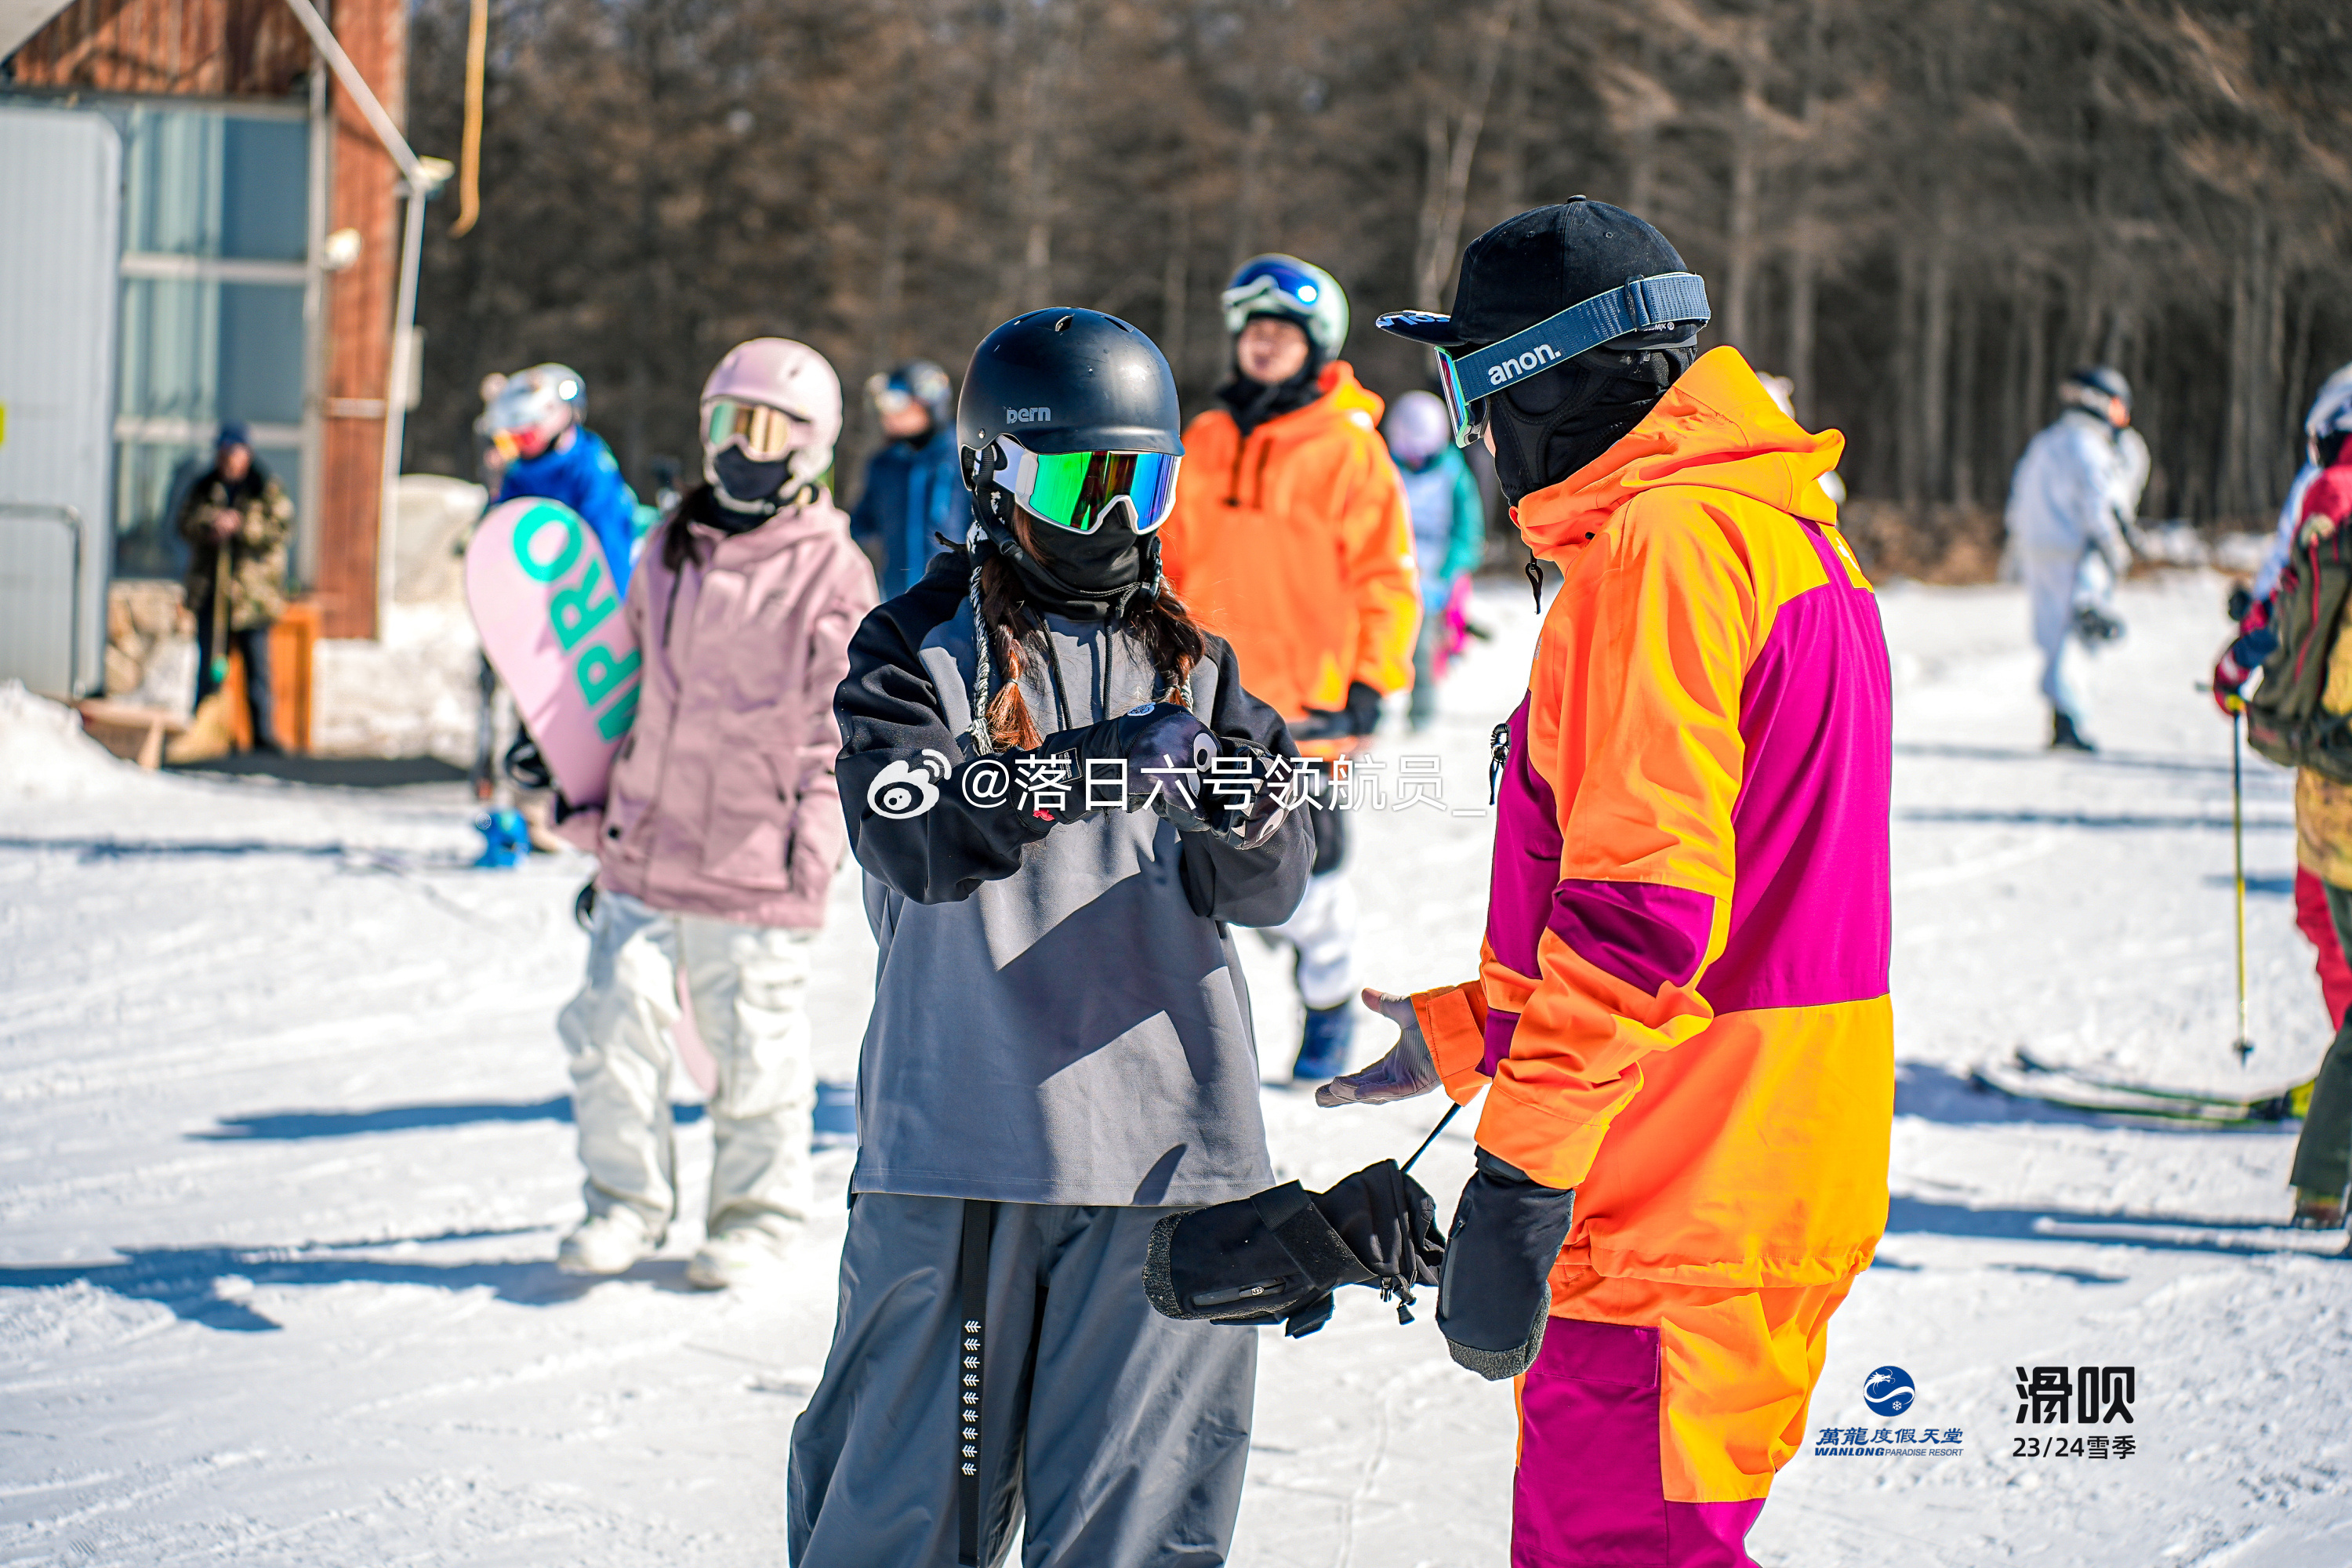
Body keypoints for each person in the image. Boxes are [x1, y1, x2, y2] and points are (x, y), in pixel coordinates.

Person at [1327, 199, 1893, 1568]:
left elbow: (1646, 916)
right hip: (1745, 1163)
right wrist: (1477, 1032)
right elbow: (1738, 912)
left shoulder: (1664, 554)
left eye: (1473, 382)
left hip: (1675, 1197)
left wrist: (1518, 1178)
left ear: (1562, 378)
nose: (1468, 429)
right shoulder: (1775, 538)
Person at [789, 308, 1314, 1566]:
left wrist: (1249, 820)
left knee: (1136, 1539)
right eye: (1090, 483)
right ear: (996, 477)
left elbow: (1274, 886)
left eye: (1148, 483)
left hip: (1172, 1163)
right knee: (896, 1528)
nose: (1122, 520)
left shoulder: (1204, 664)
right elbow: (908, 825)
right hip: (970, 1150)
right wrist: (1078, 769)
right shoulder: (915, 649)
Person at [549, 339, 877, 1289]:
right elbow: (627, 680)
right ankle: (623, 1204)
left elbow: (839, 731)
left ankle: (756, 1216)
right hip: (646, 844)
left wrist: (809, 850)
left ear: (809, 448)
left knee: (753, 1053)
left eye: (765, 431)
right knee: (612, 1030)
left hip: (754, 855)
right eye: (726, 424)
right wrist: (572, 773)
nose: (740, 448)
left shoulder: (832, 571)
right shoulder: (671, 545)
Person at [1158, 253, 1420, 1084]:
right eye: (1253, 331)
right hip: (1206, 703)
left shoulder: (1348, 446)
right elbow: (1167, 561)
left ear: (1315, 343)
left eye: (1283, 332)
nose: (1264, 345)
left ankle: (1332, 997)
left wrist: (1374, 681)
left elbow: (1386, 572)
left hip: (1310, 713)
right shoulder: (1202, 438)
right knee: (1194, 872)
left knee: (1306, 887)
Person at [2216, 379, 2352, 1232]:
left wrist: (2238, 663)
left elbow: (2280, 597)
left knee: (2328, 924)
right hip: (2341, 767)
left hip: (2327, 776)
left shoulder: (2327, 495)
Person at [2004, 365, 2147, 752]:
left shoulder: (2045, 443)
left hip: (2040, 555)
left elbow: (2018, 500)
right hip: (2075, 557)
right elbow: (2097, 505)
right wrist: (2115, 550)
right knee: (2075, 641)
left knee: (2053, 638)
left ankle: (2060, 717)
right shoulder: (2089, 448)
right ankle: (2068, 719)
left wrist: (2016, 550)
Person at [175, 421, 293, 751]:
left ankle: (262, 735)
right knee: (213, 666)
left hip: (253, 598)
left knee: (258, 671)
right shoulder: (204, 487)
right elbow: (184, 522)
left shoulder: (265, 487)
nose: (229, 460)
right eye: (224, 453)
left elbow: (281, 528)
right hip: (215, 594)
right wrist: (210, 524)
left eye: (235, 453)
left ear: (247, 454)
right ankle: (208, 730)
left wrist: (242, 526)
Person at [486, 363, 645, 583]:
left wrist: (614, 608)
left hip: (588, 595)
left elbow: (612, 543)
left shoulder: (591, 468)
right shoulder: (516, 476)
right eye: (509, 441)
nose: (519, 449)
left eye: (526, 438)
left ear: (556, 421)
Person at [1384, 388, 1486, 731]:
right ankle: (1372, 716)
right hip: (1387, 579)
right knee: (1379, 650)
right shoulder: (1383, 470)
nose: (1414, 459)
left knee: (1424, 653)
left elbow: (1467, 529)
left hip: (1431, 583)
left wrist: (1449, 571)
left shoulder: (1453, 475)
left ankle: (1421, 718)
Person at [851, 359, 971, 600]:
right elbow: (860, 525)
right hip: (898, 600)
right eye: (885, 404)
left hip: (956, 600)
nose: (888, 414)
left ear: (928, 404)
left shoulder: (963, 459)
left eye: (898, 403)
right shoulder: (884, 465)